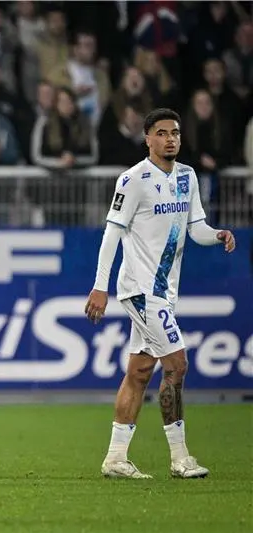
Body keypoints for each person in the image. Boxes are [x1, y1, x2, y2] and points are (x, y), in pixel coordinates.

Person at [85, 108, 236, 479]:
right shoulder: (133, 179)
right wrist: (99, 287)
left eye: (175, 133)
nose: (171, 139)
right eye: (162, 133)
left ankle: (116, 459)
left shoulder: (187, 176)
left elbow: (195, 226)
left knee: (139, 372)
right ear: (147, 139)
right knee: (177, 364)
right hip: (141, 290)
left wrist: (216, 235)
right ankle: (180, 458)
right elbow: (112, 234)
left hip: (164, 292)